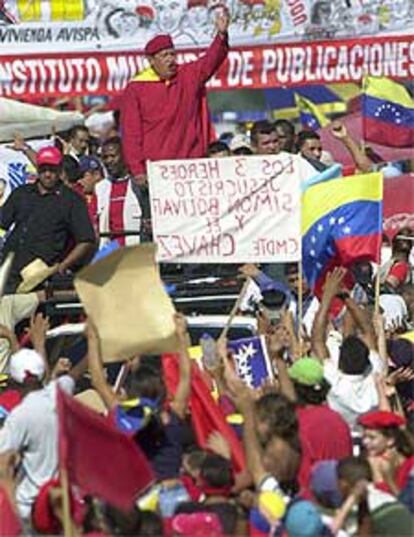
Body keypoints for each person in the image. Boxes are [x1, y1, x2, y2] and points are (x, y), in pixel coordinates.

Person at [120, 8, 229, 184]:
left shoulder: (188, 75)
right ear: (151, 60)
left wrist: (221, 36)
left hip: (192, 165)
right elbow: (131, 132)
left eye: (172, 54)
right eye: (164, 56)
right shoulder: (136, 88)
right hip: (156, 171)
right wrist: (137, 169)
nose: (171, 60)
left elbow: (211, 60)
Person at [0, 147, 96, 293]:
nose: (47, 174)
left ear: (60, 170)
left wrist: (63, 266)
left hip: (40, 276)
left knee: (33, 313)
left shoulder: (71, 200)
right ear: (38, 169)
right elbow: (2, 223)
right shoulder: (22, 193)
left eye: (52, 170)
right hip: (9, 268)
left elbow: (86, 239)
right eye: (43, 169)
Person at [311, 268, 386, 428]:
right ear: (368, 361)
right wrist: (346, 296)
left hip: (341, 443)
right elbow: (368, 331)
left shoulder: (335, 384)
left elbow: (317, 340)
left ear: (340, 363)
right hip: (369, 442)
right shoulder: (374, 378)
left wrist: (328, 297)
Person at [96, 137, 143, 246]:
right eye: (105, 157)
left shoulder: (139, 184)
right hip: (111, 248)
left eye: (113, 156)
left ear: (125, 156)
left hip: (136, 247)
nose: (108, 161)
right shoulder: (100, 188)